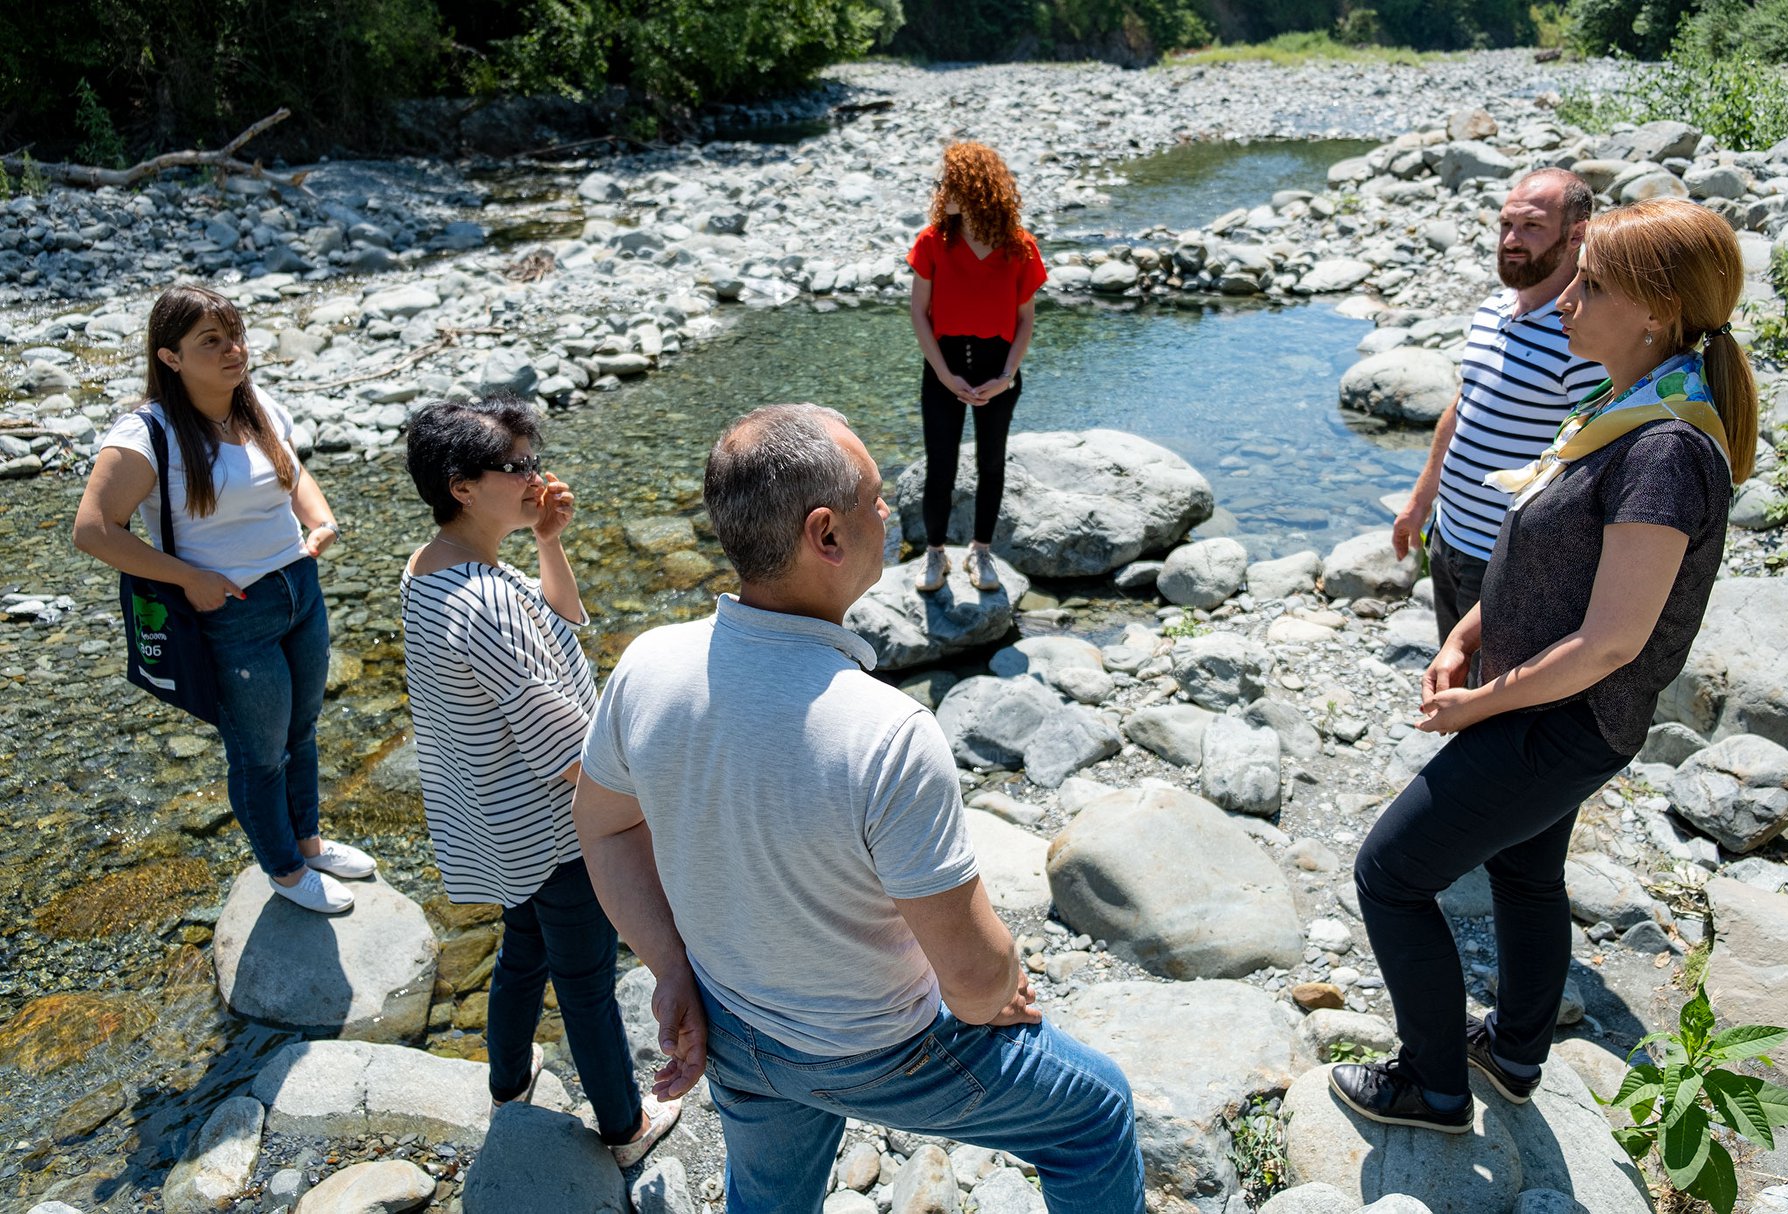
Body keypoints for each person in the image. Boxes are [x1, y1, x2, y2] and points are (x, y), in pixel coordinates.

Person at [570, 403, 1144, 1213]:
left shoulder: (648, 666)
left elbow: (602, 825)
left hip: (733, 1027)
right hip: (881, 1053)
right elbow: (974, 983)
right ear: (826, 534)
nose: (888, 509)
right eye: (874, 496)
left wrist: (671, 967)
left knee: (767, 1202)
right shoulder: (887, 731)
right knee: (1095, 1113)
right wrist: (1001, 982)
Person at [1336, 198, 1758, 1132]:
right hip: (1541, 704)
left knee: (1390, 875)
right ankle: (1517, 1052)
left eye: (1591, 285)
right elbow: (1545, 557)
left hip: (1565, 721)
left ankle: (1433, 1085)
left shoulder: (1666, 449)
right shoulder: (1620, 403)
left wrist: (1481, 704)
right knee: (1525, 873)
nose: (1566, 298)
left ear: (1656, 312)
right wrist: (1466, 633)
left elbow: (1610, 641)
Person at [399, 398, 679, 1165]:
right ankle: (625, 1129)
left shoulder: (431, 568)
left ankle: (507, 1083)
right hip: (558, 826)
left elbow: (561, 618)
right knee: (586, 980)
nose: (536, 478)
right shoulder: (486, 600)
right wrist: (645, 811)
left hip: (500, 820)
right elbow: (565, 748)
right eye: (515, 466)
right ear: (462, 486)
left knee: (523, 950)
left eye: (533, 460)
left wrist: (548, 543)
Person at [74, 285, 373, 914]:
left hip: (300, 590)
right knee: (259, 753)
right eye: (211, 341)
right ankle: (285, 871)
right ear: (171, 357)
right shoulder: (146, 434)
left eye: (234, 334)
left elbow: (293, 473)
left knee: (302, 730)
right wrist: (188, 577)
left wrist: (321, 520)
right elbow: (94, 531)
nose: (233, 349)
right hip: (231, 613)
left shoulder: (256, 404)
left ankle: (309, 842)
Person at [1391, 168, 1607, 648]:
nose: (1511, 240)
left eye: (1531, 227)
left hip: (1507, 560)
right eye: (1507, 224)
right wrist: (1421, 501)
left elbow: (1593, 467)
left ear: (1577, 235)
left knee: (1482, 687)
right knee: (1450, 674)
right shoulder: (1492, 310)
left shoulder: (1584, 336)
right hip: (1449, 537)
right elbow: (1463, 407)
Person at [908, 141, 1046, 595]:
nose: (940, 190)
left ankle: (980, 551)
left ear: (973, 187)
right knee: (940, 464)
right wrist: (944, 375)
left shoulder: (1019, 246)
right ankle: (935, 553)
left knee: (991, 463)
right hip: (943, 366)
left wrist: (1005, 377)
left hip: (998, 369)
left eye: (948, 182)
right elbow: (918, 314)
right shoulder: (932, 242)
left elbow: (1025, 321)